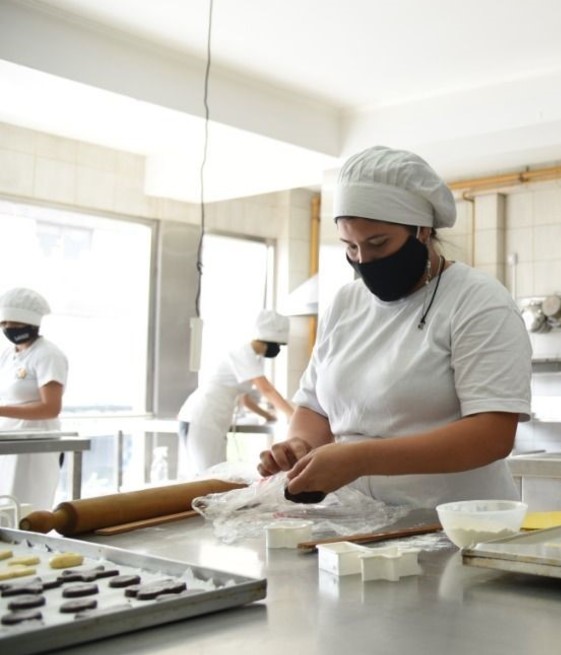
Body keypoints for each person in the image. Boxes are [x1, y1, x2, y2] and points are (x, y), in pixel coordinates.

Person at [256, 146, 532, 508]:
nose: (364, 260)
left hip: (452, 526)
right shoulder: (345, 303)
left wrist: (360, 458)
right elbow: (315, 408)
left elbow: (491, 435)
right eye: (351, 247)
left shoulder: (477, 300)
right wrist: (300, 446)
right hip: (355, 522)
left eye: (378, 243)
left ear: (421, 230)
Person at [177, 310, 295, 477]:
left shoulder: (253, 358)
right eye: (280, 345)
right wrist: (294, 414)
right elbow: (266, 388)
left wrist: (268, 416)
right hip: (202, 419)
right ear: (272, 340)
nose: (279, 349)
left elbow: (245, 399)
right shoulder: (243, 353)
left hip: (211, 421)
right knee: (207, 477)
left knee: (216, 475)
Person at [0, 288, 69, 508]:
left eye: (15, 324)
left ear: (31, 324)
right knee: (6, 508)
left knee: (27, 510)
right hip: (10, 439)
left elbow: (50, 407)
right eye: (4, 324)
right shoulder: (8, 355)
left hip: (36, 445)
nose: (9, 329)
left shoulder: (47, 355)